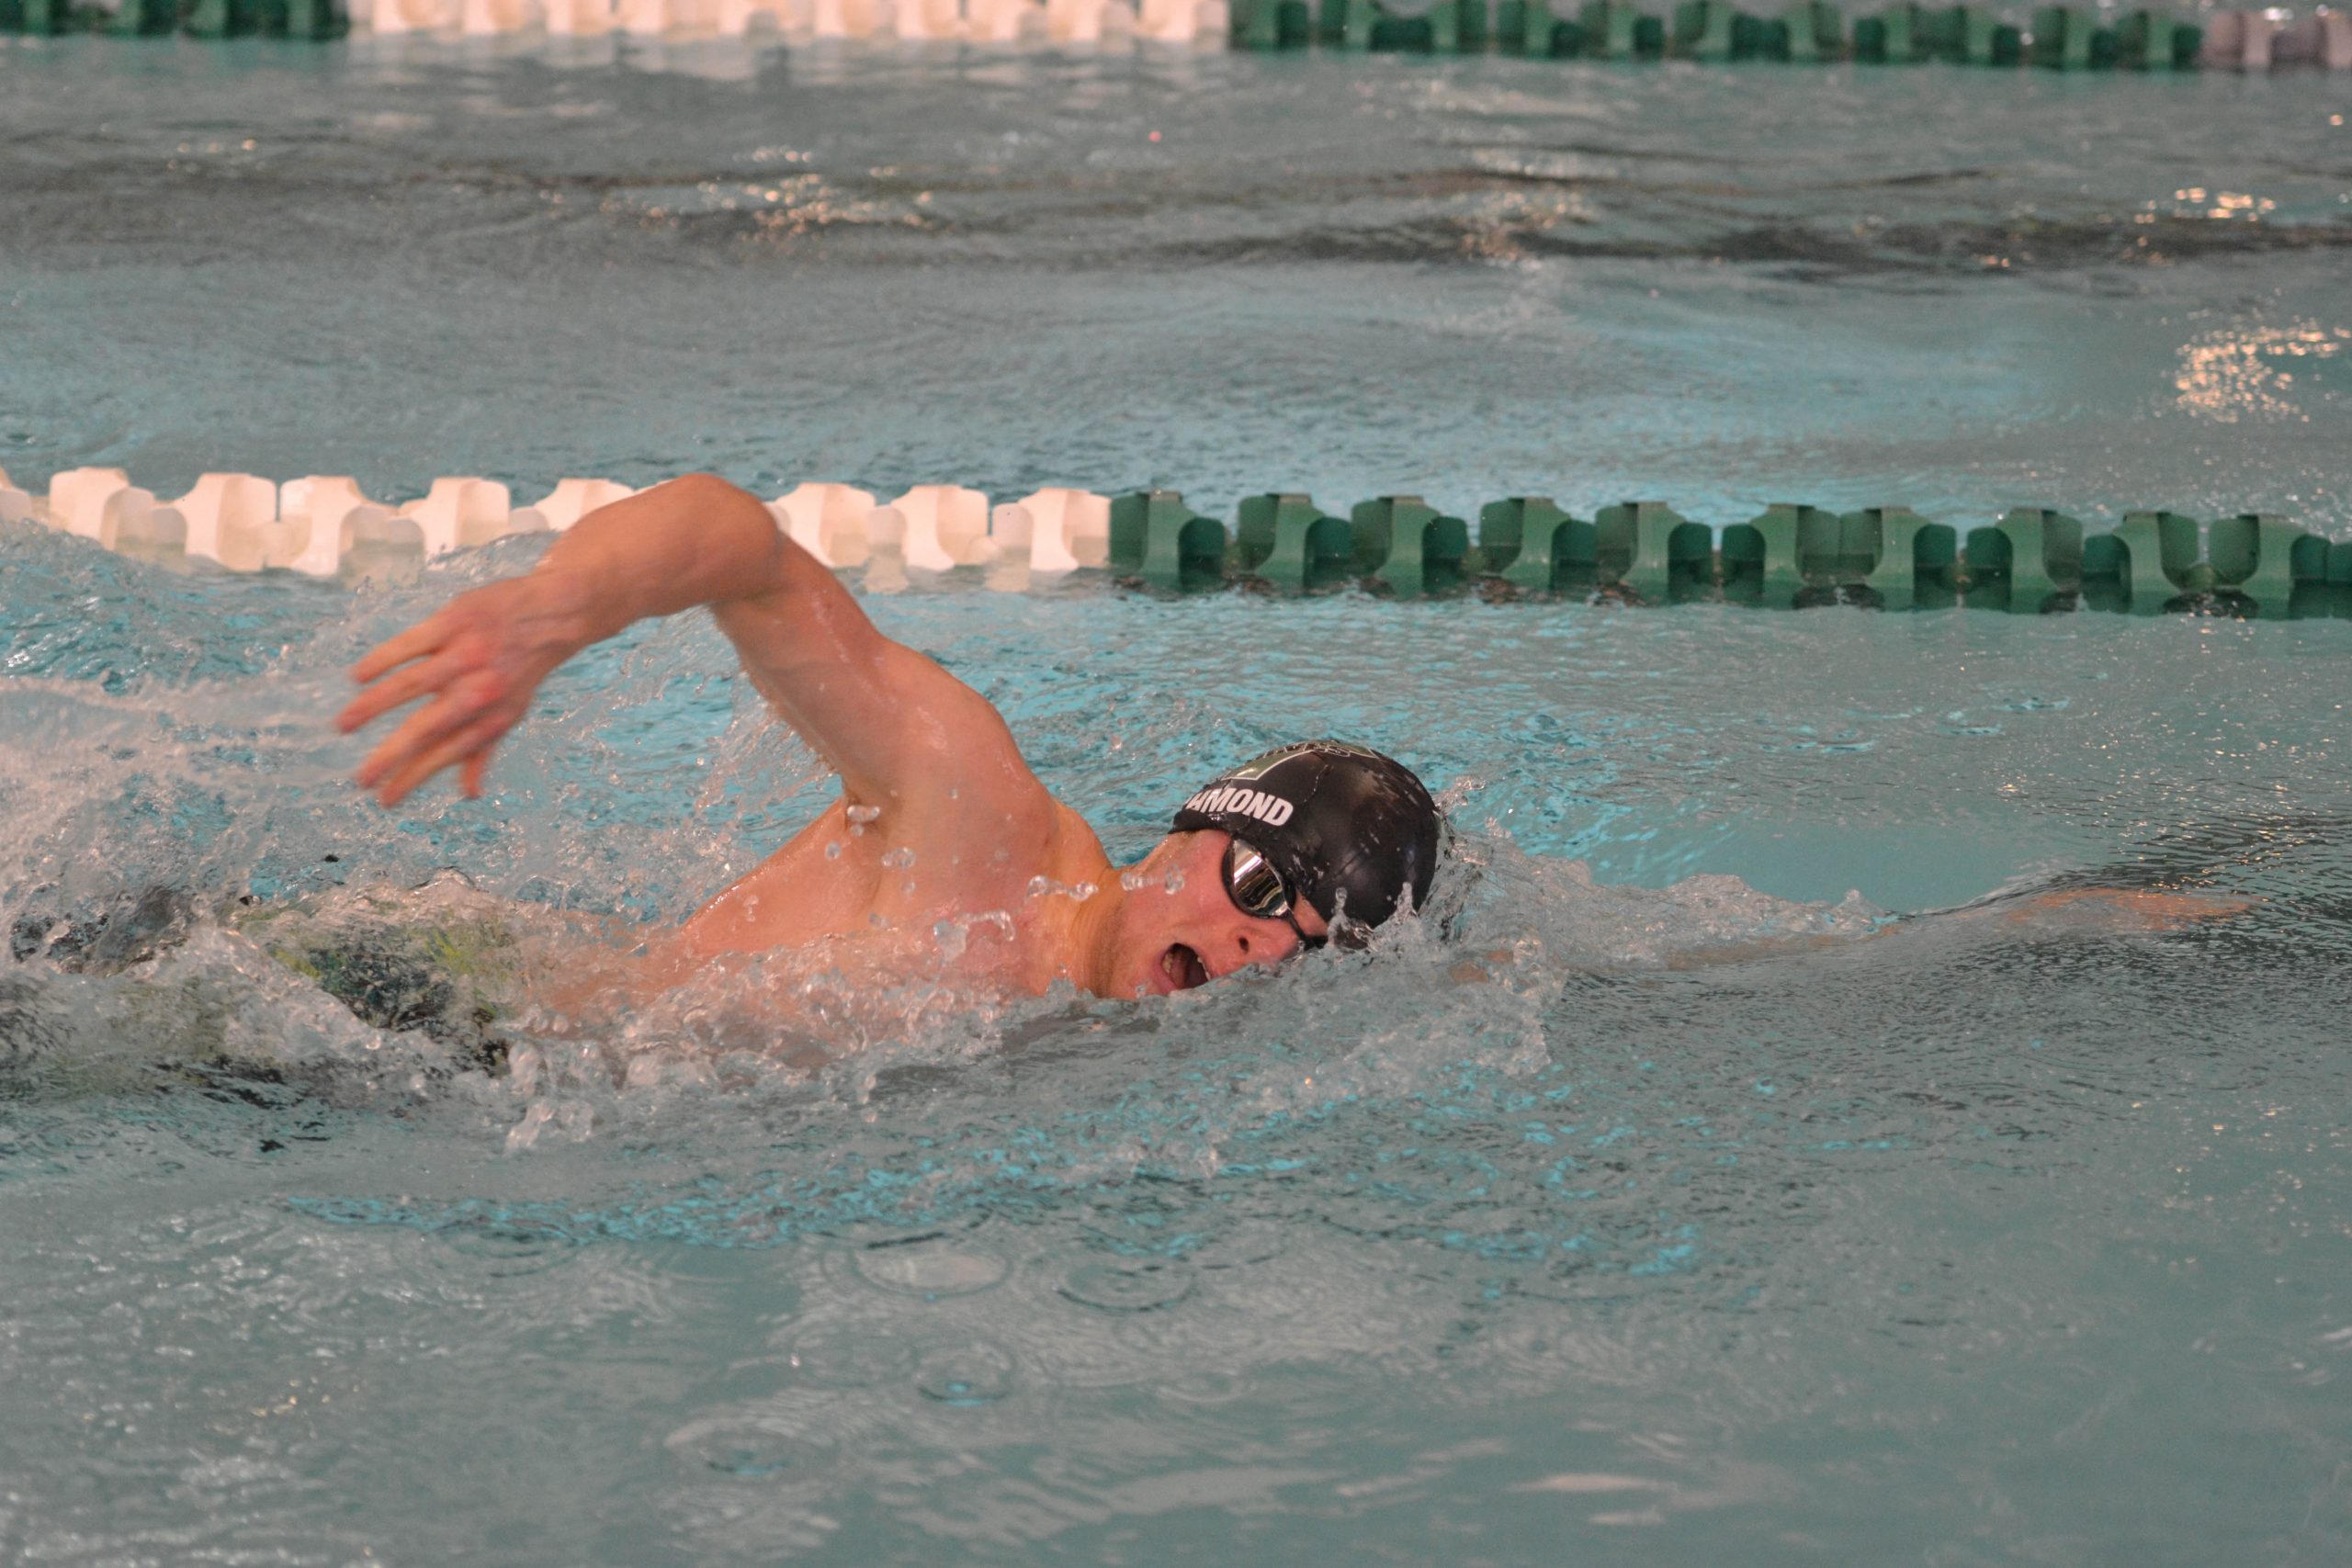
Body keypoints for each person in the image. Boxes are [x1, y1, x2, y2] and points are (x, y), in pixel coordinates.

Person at [337, 474, 1443, 1002]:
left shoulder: (1093, 1033)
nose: (1257, 943)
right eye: (1256, 883)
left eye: (1308, 939)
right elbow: (743, 551)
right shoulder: (986, 834)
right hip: (405, 1015)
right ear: (1180, 839)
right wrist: (551, 613)